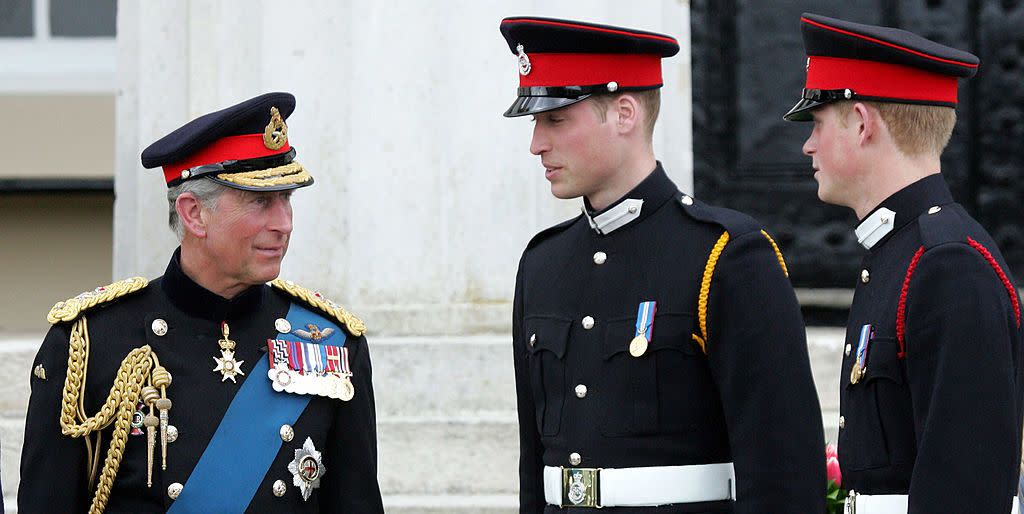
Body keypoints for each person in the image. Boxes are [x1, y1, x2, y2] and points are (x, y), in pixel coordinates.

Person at [502, 16, 825, 513]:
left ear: (625, 113)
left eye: (556, 119)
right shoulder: (543, 264)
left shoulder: (726, 255)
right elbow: (534, 466)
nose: (537, 143)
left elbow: (782, 468)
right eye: (535, 123)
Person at [19, 92, 385, 513]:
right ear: (194, 214)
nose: (284, 223)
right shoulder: (92, 343)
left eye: (287, 199)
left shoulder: (330, 343)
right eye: (261, 202)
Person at [784, 12, 1024, 513]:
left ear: (862, 123)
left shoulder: (947, 264)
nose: (808, 144)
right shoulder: (900, 253)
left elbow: (967, 491)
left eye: (818, 123)